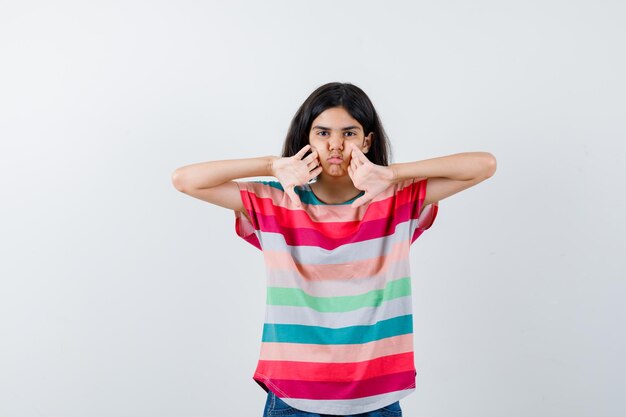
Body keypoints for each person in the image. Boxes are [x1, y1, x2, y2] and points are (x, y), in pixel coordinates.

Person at [171, 82, 497, 417]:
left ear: (367, 141)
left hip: (377, 397)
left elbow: (483, 165)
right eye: (323, 133)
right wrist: (272, 165)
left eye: (350, 133)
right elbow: (185, 179)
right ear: (308, 140)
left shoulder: (397, 200)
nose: (336, 145)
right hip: (292, 395)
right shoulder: (276, 201)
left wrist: (391, 174)